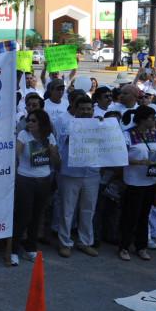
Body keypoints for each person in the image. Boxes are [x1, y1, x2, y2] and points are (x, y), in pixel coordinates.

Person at [54, 96, 100, 258]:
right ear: (76, 109)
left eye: (89, 109)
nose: (86, 112)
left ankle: (85, 242)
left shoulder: (100, 125)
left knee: (88, 209)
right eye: (82, 109)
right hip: (71, 173)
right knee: (67, 210)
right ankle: (64, 243)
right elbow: (62, 144)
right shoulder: (68, 124)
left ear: (92, 110)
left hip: (92, 173)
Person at [12, 109, 59, 266]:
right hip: (25, 179)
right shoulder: (24, 135)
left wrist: (53, 151)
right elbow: (17, 153)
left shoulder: (49, 137)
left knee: (37, 215)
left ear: (42, 123)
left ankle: (31, 247)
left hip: (43, 179)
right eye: (28, 120)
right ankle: (13, 249)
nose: (29, 123)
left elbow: (56, 161)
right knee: (23, 215)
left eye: (33, 121)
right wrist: (18, 150)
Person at [119, 106, 156, 261]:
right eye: (151, 118)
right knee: (130, 216)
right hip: (133, 182)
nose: (154, 120)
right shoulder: (127, 135)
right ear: (143, 119)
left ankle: (141, 246)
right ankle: (124, 246)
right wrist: (139, 162)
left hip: (151, 181)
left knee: (145, 216)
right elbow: (120, 157)